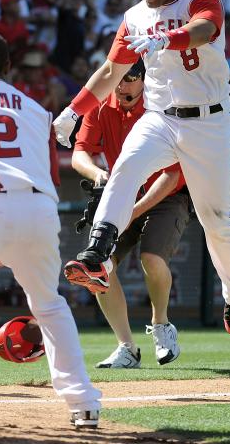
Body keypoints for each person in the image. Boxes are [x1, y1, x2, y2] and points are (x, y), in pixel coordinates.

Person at [53, 0, 230, 335]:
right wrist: (74, 111)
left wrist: (167, 39)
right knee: (124, 166)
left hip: (209, 123)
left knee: (216, 220)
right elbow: (112, 70)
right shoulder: (134, 17)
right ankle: (97, 251)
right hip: (161, 116)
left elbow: (204, 29)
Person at [0, 30, 102, 426]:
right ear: (8, 67)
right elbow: (52, 176)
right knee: (50, 304)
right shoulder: (37, 109)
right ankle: (83, 402)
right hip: (38, 206)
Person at [72, 60, 190, 368]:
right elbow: (79, 153)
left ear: (145, 78)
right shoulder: (101, 104)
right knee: (96, 268)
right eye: (118, 79)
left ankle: (162, 325)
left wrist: (132, 211)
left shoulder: (161, 107)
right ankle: (127, 348)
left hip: (167, 196)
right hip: (123, 194)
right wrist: (98, 175)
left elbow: (173, 176)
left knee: (151, 258)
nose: (123, 86)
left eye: (131, 78)